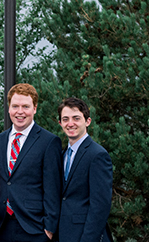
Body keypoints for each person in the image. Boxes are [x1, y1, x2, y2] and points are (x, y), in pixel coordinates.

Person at [0, 83, 62, 242]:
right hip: (0, 227)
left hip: (34, 228)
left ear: (35, 108)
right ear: (8, 108)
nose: (20, 111)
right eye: (15, 106)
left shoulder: (49, 142)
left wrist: (49, 228)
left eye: (25, 106)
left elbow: (53, 188)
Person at [57, 97, 112, 242]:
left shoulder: (98, 155)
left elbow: (100, 207)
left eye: (76, 118)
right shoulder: (61, 155)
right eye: (65, 119)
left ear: (87, 121)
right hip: (62, 235)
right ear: (60, 123)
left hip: (85, 236)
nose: (70, 123)